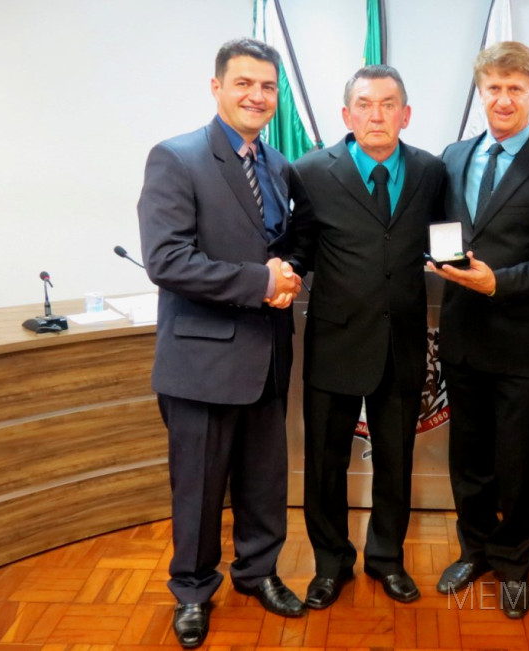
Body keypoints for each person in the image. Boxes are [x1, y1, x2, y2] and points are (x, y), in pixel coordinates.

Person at [137, 37, 310, 648]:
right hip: (201, 360)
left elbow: (281, 244)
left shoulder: (279, 165)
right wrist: (261, 282)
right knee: (200, 486)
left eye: (267, 87)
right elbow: (168, 260)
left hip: (267, 352)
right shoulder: (176, 158)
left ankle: (257, 572)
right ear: (217, 88)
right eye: (244, 84)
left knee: (265, 479)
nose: (257, 96)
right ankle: (191, 588)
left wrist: (284, 276)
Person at [429, 41, 529, 618]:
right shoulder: (452, 155)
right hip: (462, 336)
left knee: (519, 460)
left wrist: (497, 283)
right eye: (493, 87)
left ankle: (514, 559)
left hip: (524, 340)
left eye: (515, 88)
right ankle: (475, 549)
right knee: (468, 456)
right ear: (481, 92)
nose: (502, 98)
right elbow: (443, 232)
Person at [291, 65, 445, 608]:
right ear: (346, 115)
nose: (376, 114)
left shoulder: (430, 170)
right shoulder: (310, 171)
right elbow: (299, 245)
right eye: (365, 104)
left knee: (396, 463)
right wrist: (281, 270)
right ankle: (331, 564)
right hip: (335, 343)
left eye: (388, 104)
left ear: (405, 114)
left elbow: (445, 241)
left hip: (402, 343)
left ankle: (386, 559)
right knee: (325, 464)